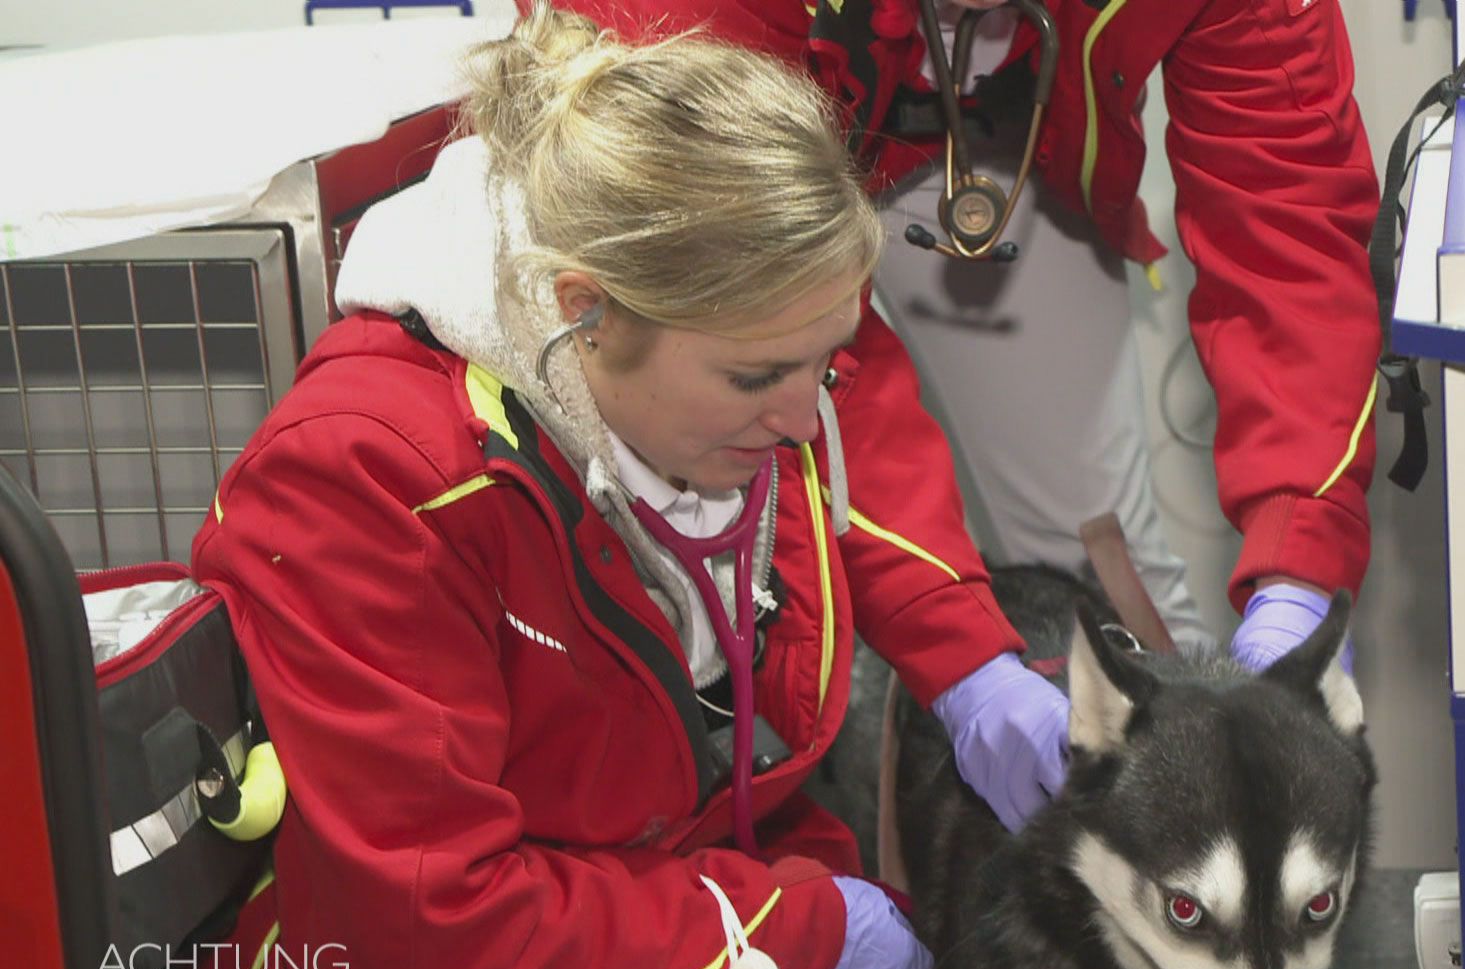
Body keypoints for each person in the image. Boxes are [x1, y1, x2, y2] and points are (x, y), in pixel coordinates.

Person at [186, 7, 1068, 969]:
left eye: (826, 365)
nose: (804, 423)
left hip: (653, 956)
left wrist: (974, 679)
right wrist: (795, 932)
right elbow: (428, 940)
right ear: (584, 312)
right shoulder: (368, 485)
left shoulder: (711, 410)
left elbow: (734, 795)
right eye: (757, 378)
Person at [549, 0, 1382, 672]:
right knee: (725, 505)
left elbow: (1288, 231)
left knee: (1095, 554)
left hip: (1019, 145)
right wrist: (959, 659)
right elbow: (773, 378)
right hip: (745, 126)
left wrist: (1301, 559)